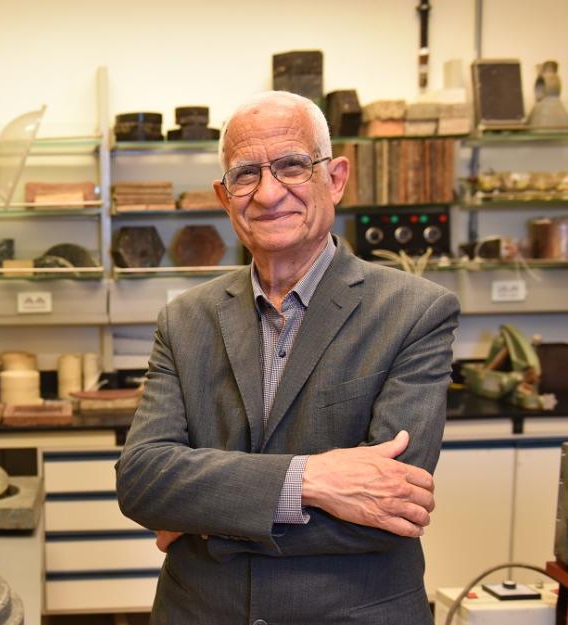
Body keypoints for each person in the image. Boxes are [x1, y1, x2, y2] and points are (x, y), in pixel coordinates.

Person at [115, 91, 460, 625]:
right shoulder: (184, 320)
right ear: (224, 196)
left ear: (336, 178)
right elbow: (141, 480)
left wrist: (200, 514)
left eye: (293, 166)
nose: (269, 193)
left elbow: (389, 508)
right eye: (246, 174)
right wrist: (311, 481)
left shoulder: (415, 312)